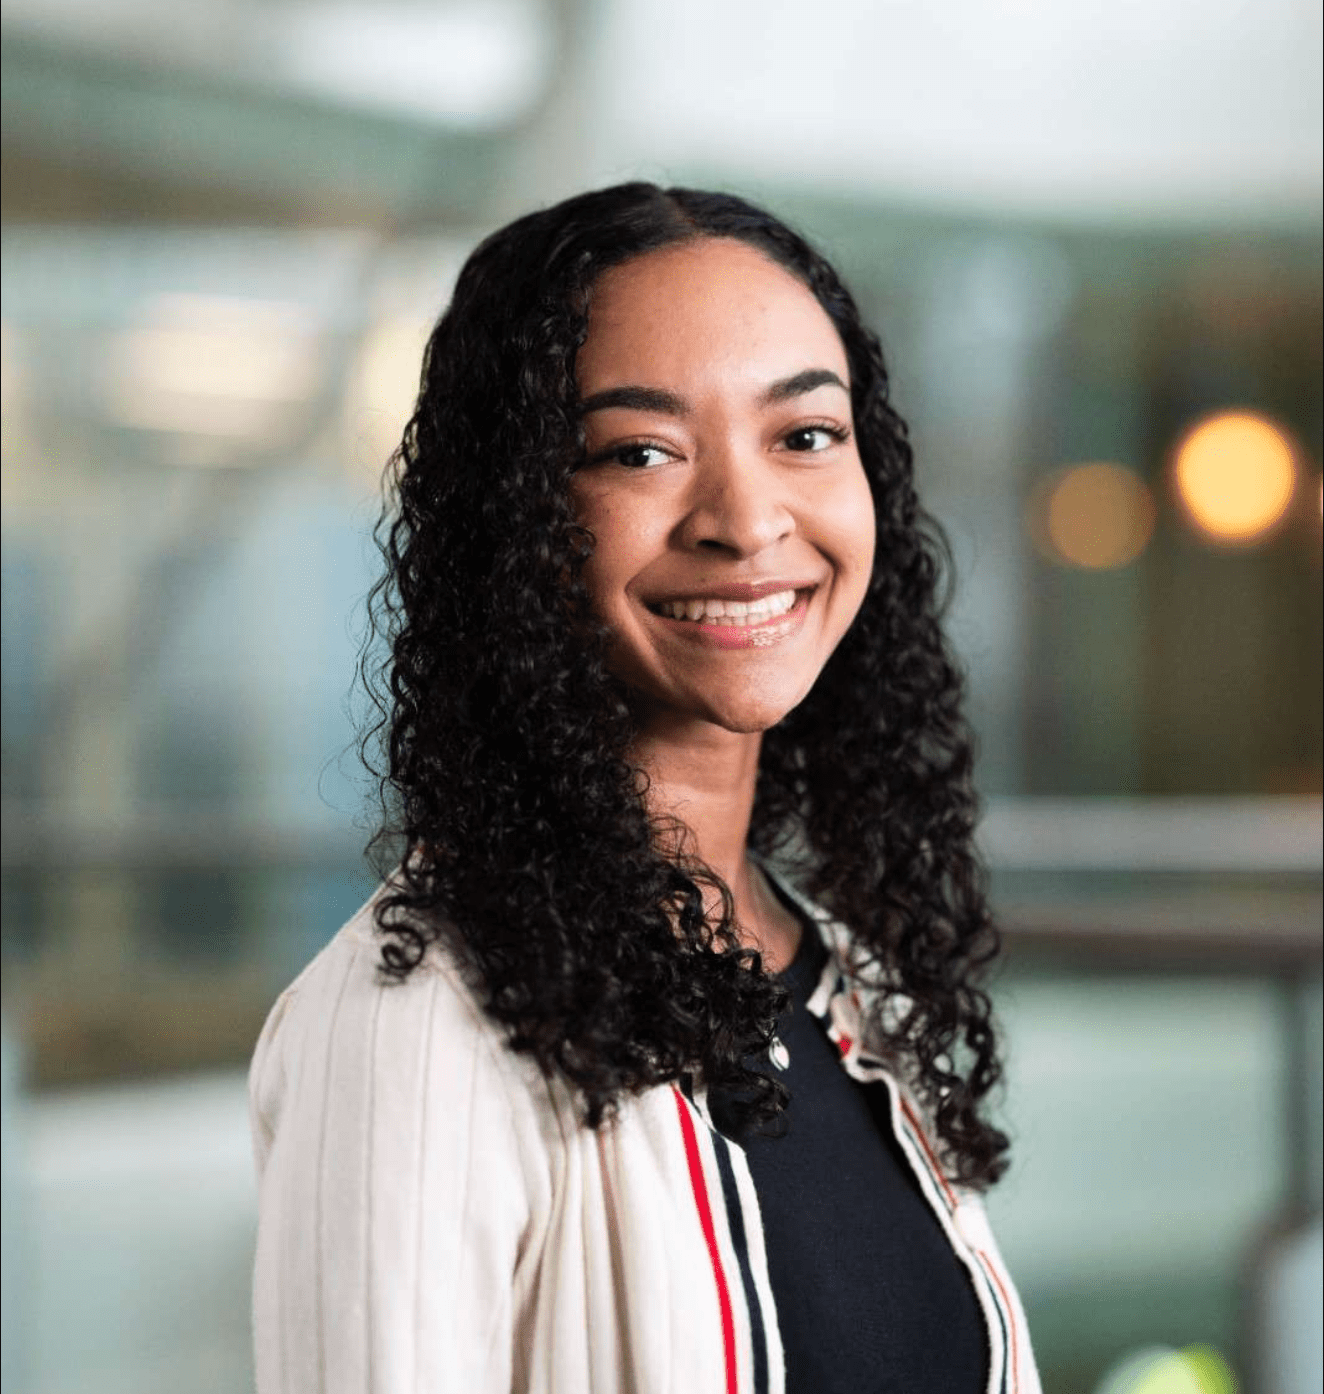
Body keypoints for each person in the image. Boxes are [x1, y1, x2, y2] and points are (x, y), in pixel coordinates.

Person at [249, 184, 1039, 1394]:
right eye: (640, 451)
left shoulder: (851, 982)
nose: (745, 519)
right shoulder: (415, 1027)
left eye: (804, 435)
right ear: (513, 520)